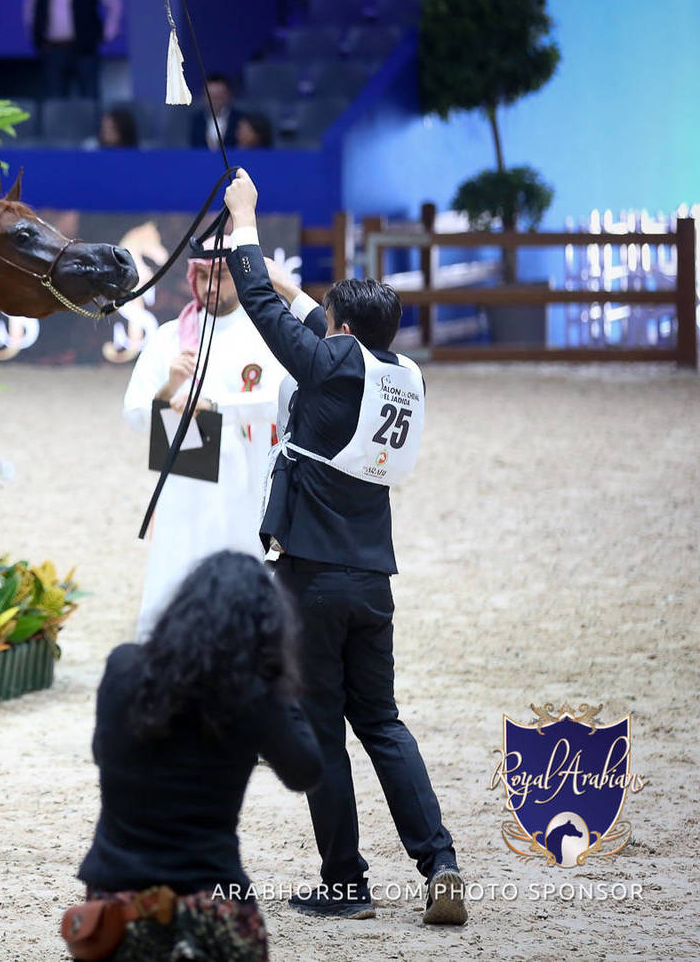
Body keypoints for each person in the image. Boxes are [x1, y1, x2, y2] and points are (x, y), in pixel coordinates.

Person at [214, 168, 467, 926]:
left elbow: (262, 304)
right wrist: (306, 296)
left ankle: (346, 880)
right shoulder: (399, 372)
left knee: (322, 723)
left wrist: (247, 220)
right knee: (383, 722)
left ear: (342, 332)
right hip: (372, 575)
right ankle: (440, 861)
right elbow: (309, 319)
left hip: (313, 575)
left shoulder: (329, 362)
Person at [72, 551, 321, 961]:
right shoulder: (252, 695)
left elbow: (103, 753)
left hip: (113, 903)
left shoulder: (122, 667)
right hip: (211, 899)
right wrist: (278, 681)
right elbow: (305, 771)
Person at [122, 244, 290, 639]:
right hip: (187, 477)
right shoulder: (168, 338)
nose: (210, 285)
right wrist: (170, 386)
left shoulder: (267, 332)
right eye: (202, 275)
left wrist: (219, 406)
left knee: (244, 559)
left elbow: (286, 399)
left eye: (222, 276)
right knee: (178, 558)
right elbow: (133, 414)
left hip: (248, 477)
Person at [188, 74, 244, 151]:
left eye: (219, 96)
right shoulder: (196, 120)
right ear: (203, 96)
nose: (214, 100)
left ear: (228, 95)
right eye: (210, 96)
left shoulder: (241, 119)